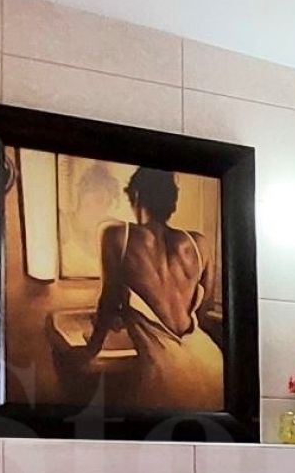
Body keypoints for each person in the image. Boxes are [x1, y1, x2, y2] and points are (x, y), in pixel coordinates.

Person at [71, 166, 224, 409]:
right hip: (212, 364)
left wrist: (91, 350)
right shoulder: (199, 243)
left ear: (136, 195)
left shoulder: (116, 236)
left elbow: (108, 301)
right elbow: (201, 314)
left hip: (167, 375)